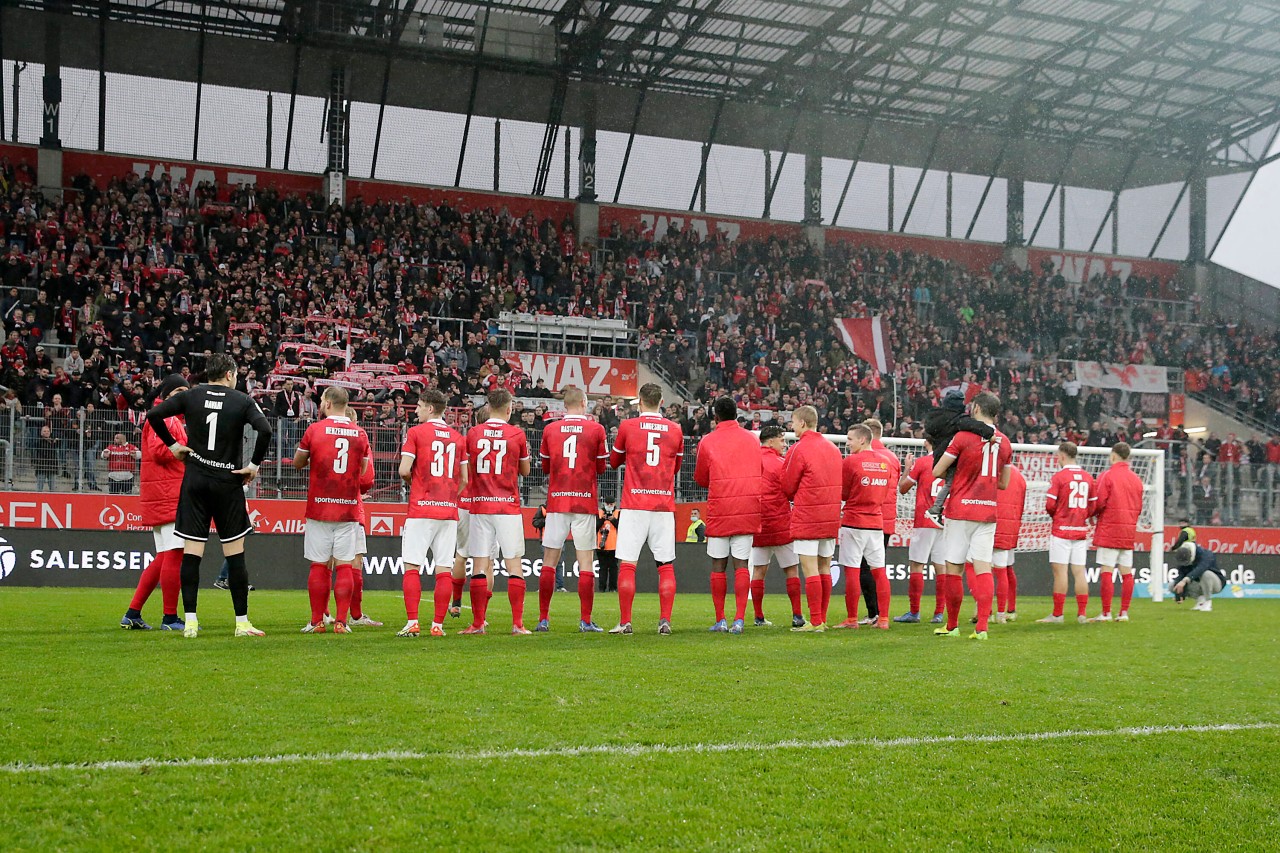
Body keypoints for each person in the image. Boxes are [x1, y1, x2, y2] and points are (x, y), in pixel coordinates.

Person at [146, 352, 274, 638]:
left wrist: (173, 446)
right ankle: (242, 623)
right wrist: (252, 466)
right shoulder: (241, 400)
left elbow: (153, 414)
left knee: (192, 553)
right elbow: (265, 430)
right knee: (235, 553)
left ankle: (190, 621)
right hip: (228, 483)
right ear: (229, 374)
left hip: (196, 481)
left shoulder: (192, 395)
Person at [932, 392, 1011, 640]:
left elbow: (937, 470)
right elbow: (1004, 483)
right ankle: (982, 628)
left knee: (954, 569)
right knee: (983, 568)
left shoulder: (963, 436)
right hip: (987, 510)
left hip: (960, 509)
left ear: (975, 408)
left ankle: (953, 626)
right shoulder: (1005, 442)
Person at [292, 387, 371, 635]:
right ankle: (341, 621)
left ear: (326, 403)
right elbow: (365, 471)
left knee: (319, 566)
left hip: (320, 507)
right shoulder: (360, 434)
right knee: (346, 566)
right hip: (348, 508)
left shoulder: (315, 430)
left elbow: (297, 463)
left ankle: (317, 621)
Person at [607, 382, 684, 635]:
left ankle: (626, 622)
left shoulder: (628, 426)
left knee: (628, 564)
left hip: (634, 504)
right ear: (662, 402)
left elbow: (614, 460)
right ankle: (665, 621)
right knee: (665, 565)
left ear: (639, 401)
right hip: (663, 504)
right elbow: (676, 468)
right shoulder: (675, 430)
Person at [119, 375, 190, 631]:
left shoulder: (164, 417)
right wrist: (187, 446)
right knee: (174, 555)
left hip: (161, 493)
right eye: (179, 391)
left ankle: (133, 613)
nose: (183, 396)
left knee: (162, 557)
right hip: (169, 494)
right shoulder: (166, 418)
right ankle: (169, 618)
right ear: (168, 393)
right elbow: (162, 452)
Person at [538, 385, 609, 633]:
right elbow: (601, 468)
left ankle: (543, 619)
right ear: (584, 402)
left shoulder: (550, 429)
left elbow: (545, 467)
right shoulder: (596, 429)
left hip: (557, 500)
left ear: (564, 405)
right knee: (586, 561)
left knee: (549, 560)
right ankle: (585, 620)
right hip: (584, 500)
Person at [397, 389, 467, 638]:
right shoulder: (458, 438)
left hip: (421, 508)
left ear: (429, 408)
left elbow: (405, 470)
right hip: (448, 511)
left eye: (418, 406)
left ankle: (413, 622)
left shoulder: (416, 433)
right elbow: (464, 479)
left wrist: (414, 485)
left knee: (412, 567)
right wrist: (449, 496)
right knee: (444, 569)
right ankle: (437, 625)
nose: (415, 410)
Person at [463, 389, 532, 635]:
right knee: (514, 564)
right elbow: (525, 471)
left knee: (480, 563)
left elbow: (468, 466)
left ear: (488, 407)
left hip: (480, 504)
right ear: (509, 408)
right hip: (507, 505)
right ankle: (517, 624)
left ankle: (478, 624)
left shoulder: (473, 433)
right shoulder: (517, 433)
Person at [693, 396, 763, 634]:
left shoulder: (708, 441)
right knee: (742, 564)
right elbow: (759, 470)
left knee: (718, 564)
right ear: (736, 415)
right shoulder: (752, 440)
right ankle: (740, 619)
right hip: (746, 508)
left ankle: (721, 619)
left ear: (715, 417)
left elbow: (701, 478)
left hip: (720, 508)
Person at [781, 404, 842, 632]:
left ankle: (815, 620)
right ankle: (822, 619)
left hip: (809, 514)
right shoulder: (834, 448)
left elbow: (787, 484)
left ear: (803, 423)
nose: (792, 426)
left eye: (794, 422)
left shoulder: (799, 448)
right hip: (830, 516)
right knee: (825, 566)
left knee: (810, 569)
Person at [834, 424, 892, 630]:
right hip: (876, 523)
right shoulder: (886, 463)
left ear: (862, 440)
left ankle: (851, 619)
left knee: (852, 571)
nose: (847, 443)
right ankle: (883, 619)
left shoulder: (851, 462)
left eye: (850, 439)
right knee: (879, 571)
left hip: (854, 522)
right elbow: (885, 494)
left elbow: (843, 493)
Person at [1037, 442, 1096, 625]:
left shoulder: (1059, 477)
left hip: (1062, 529)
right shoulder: (1087, 477)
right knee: (1079, 572)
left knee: (1060, 572)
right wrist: (1082, 516)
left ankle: (1058, 615)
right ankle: (1082, 615)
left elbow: (1049, 505)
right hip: (1080, 530)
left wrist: (1058, 515)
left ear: (1062, 456)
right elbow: (1093, 505)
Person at [751, 424, 803, 628]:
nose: (784, 444)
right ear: (770, 440)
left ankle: (758, 616)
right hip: (781, 524)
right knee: (791, 570)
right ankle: (797, 615)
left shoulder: (752, 462)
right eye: (782, 440)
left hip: (759, 525)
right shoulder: (781, 463)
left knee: (758, 571)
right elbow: (791, 491)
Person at [1090, 441, 1146, 622]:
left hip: (1110, 528)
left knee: (1107, 570)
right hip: (1128, 530)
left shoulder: (1108, 476)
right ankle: (1124, 612)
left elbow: (1099, 502)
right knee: (1126, 572)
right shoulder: (1136, 479)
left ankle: (1106, 613)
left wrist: (1092, 515)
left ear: (1113, 455)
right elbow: (1139, 506)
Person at [923, 388, 996, 524]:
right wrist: (989, 432)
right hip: (951, 458)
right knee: (952, 482)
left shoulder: (935, 417)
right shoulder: (958, 420)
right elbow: (972, 425)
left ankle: (939, 508)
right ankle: (936, 508)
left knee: (953, 482)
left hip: (938, 456)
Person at [895, 438, 946, 624]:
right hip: (944, 520)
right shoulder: (950, 462)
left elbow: (902, 488)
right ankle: (939, 613)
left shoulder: (923, 463)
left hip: (924, 520)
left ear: (927, 442)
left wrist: (908, 468)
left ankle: (914, 612)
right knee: (942, 567)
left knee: (917, 565)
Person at [862, 418, 900, 624]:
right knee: (879, 566)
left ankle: (873, 613)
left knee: (864, 567)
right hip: (886, 520)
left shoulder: (863, 455)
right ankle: (882, 614)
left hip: (867, 517)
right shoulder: (892, 457)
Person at [992, 464, 1027, 623]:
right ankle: (1010, 609)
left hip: (992, 525)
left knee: (987, 569)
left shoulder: (993, 471)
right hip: (1011, 527)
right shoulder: (1019, 476)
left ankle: (992, 612)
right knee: (1007, 568)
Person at [1171, 540, 1226, 611]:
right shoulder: (1183, 557)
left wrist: (1185, 580)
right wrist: (1179, 594)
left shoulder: (1206, 554)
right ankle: (1200, 601)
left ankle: (1208, 602)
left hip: (1216, 584)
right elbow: (1181, 574)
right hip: (1197, 584)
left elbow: (1201, 568)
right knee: (1172, 586)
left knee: (1206, 574)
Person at [597, 500, 619, 593]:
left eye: (611, 504)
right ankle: (602, 588)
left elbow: (621, 526)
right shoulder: (599, 512)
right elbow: (595, 526)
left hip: (614, 545)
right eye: (607, 504)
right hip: (601, 545)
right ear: (604, 504)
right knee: (602, 568)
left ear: (614, 504)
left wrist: (613, 520)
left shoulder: (618, 513)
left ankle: (613, 588)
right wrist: (602, 519)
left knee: (613, 568)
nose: (609, 506)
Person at [33, 424, 58, 492]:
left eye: (48, 431)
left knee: (52, 487)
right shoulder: (39, 441)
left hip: (52, 466)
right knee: (39, 487)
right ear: (41, 433)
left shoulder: (53, 442)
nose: (46, 432)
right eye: (44, 431)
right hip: (42, 466)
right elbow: (44, 451)